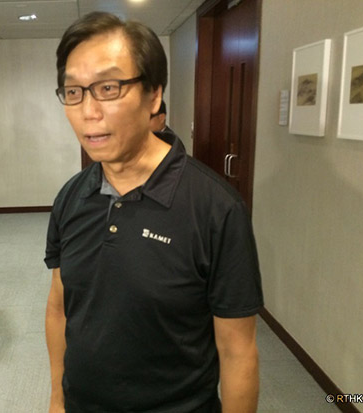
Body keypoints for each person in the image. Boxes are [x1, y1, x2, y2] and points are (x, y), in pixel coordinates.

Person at [45, 12, 263, 413]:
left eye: (108, 88)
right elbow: (60, 308)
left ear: (153, 96)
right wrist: (58, 398)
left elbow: (238, 351)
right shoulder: (70, 197)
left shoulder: (217, 209)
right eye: (73, 91)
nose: (88, 111)